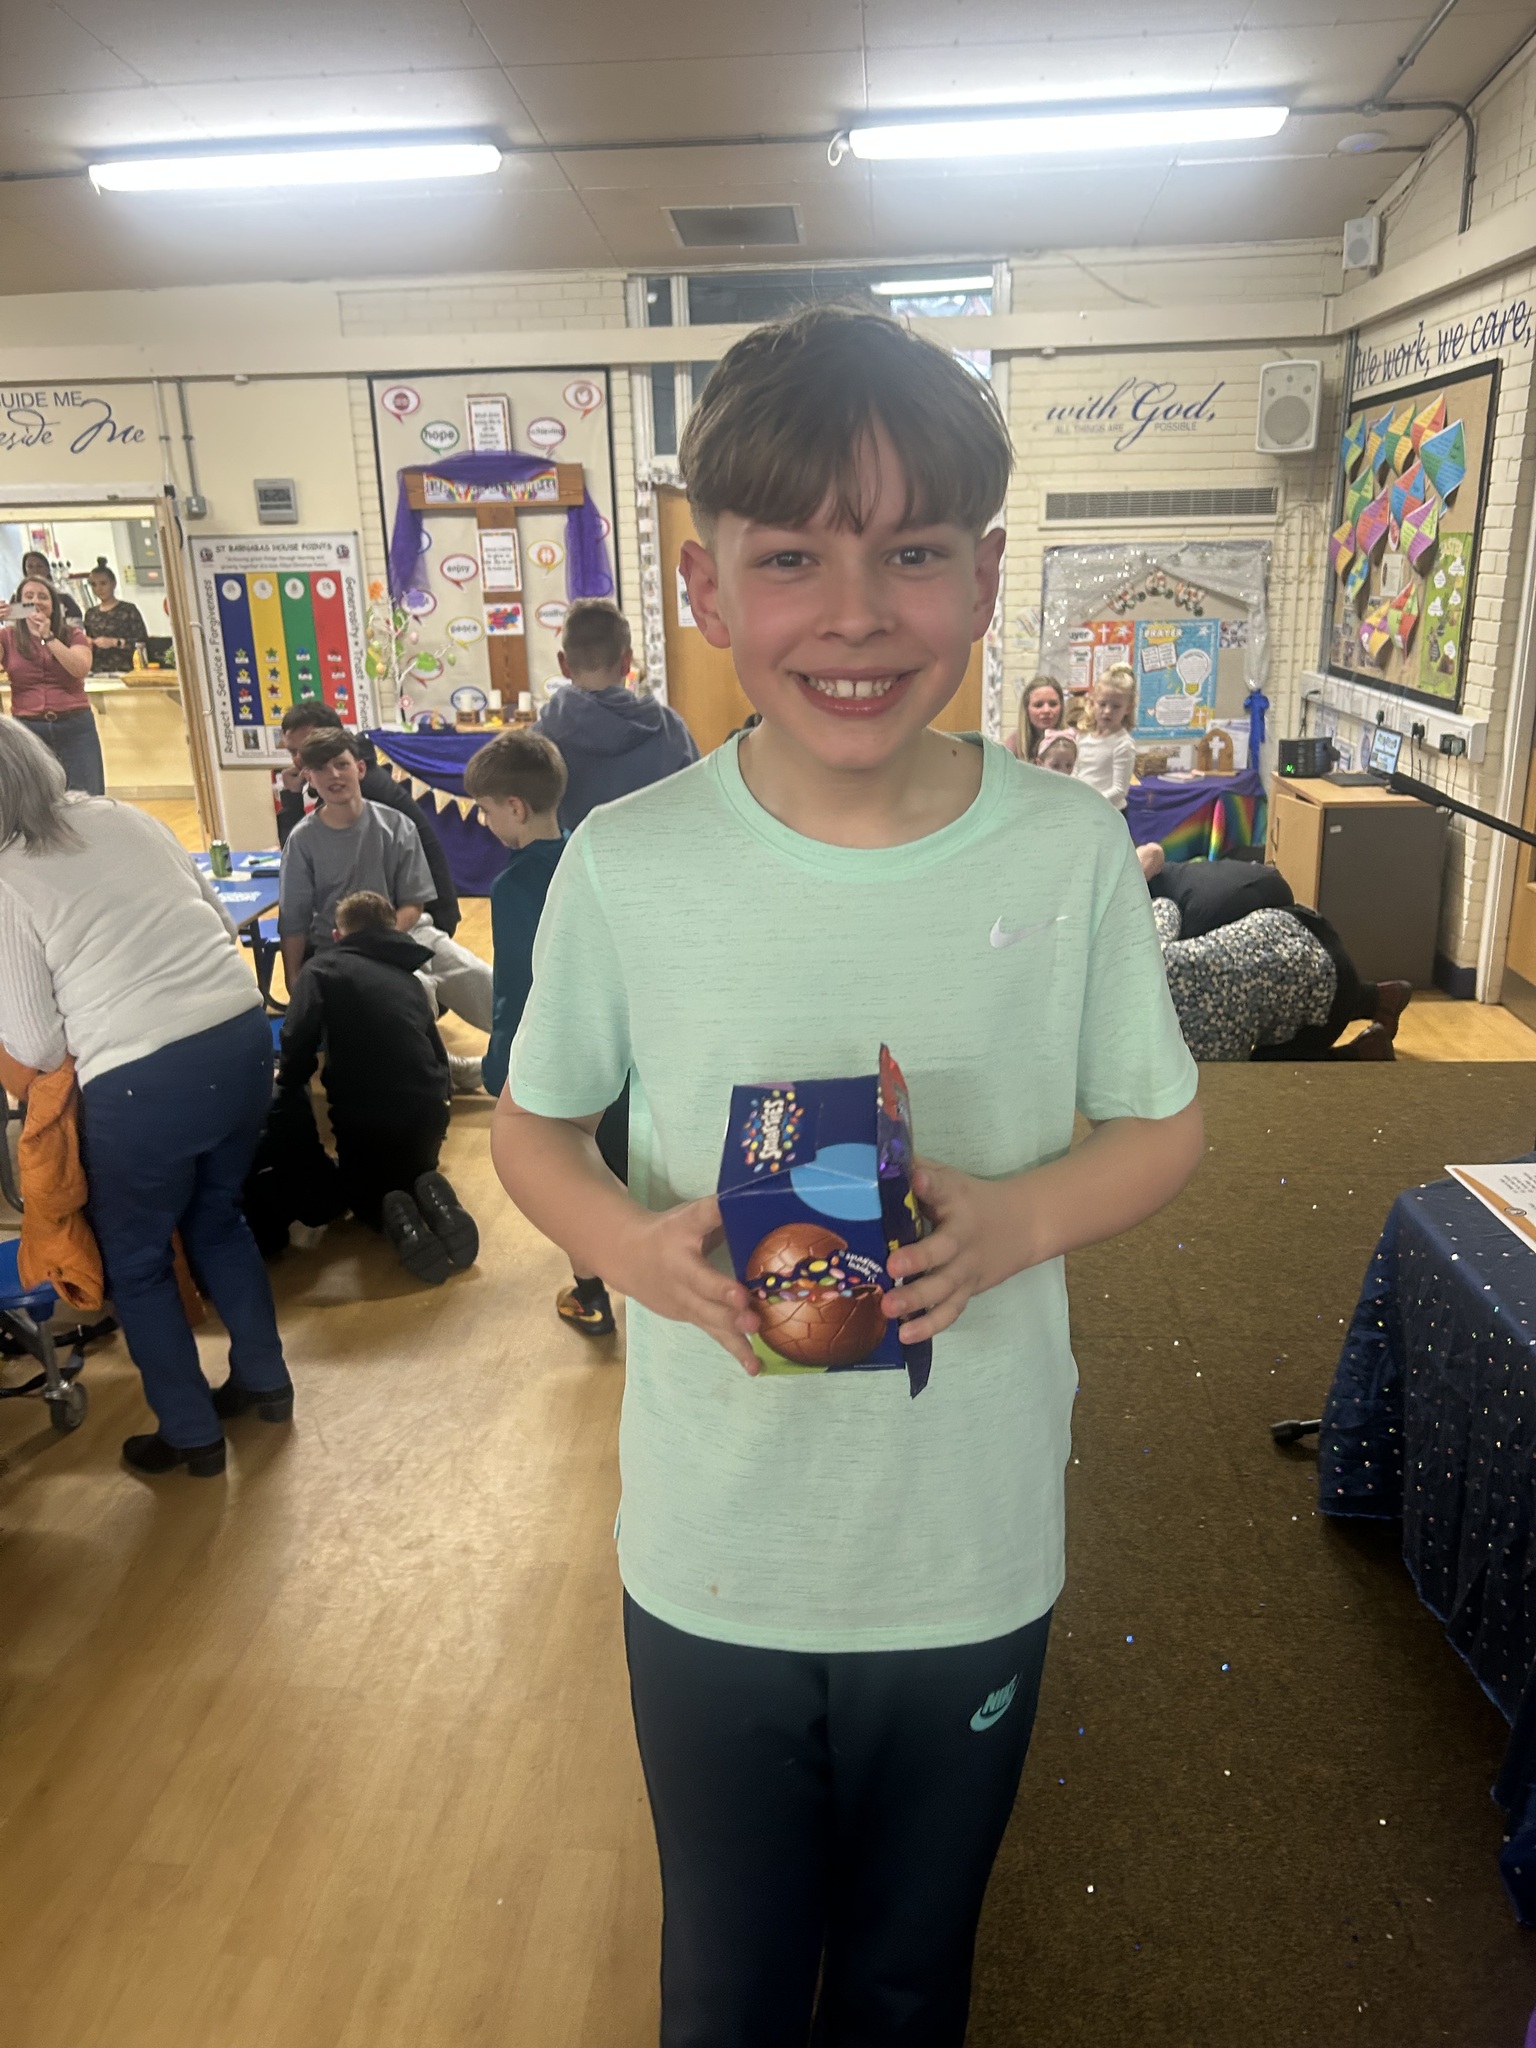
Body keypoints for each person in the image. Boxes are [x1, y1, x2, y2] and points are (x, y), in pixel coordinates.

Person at [491, 305, 1203, 2044]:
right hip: (715, 1548)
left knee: (905, 1971)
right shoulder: (629, 862)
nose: (857, 611)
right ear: (706, 586)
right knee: (727, 1980)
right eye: (793, 557)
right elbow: (533, 1126)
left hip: (966, 1546)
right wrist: (630, 1247)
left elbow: (1162, 1125)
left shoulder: (1068, 851)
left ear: (984, 574)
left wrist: (1019, 1218)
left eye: (914, 553)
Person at [0, 718, 290, 1476]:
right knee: (218, 1219)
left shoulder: (7, 876)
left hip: (143, 1080)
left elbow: (36, 1045)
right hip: (240, 1038)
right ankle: (266, 1381)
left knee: (135, 1262)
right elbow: (218, 920)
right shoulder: (124, 816)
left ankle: (192, 1434)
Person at [465, 726, 628, 1338]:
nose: (484, 822)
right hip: (624, 1050)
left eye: (485, 810)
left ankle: (591, 1296)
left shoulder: (513, 886)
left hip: (564, 1056)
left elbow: (516, 986)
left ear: (514, 807)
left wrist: (500, 1064)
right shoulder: (593, 859)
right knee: (626, 1168)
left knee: (574, 1175)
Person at [276, 890, 476, 1284]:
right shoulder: (410, 979)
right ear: (393, 930)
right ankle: (430, 1193)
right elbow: (436, 1054)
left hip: (367, 1118)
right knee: (412, 1170)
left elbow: (297, 1039)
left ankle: (393, 1217)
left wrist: (287, 1087)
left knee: (365, 1195)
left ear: (337, 936)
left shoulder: (321, 970)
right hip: (429, 1114)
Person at [1137, 843, 1412, 1062]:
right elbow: (1165, 907)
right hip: (1303, 925)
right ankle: (1379, 998)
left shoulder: (1196, 1054)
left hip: (1328, 998)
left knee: (1261, 1071)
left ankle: (1361, 1054)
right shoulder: (1146, 958)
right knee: (1257, 977)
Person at [273, 701, 461, 937]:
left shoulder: (351, 788)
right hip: (399, 911)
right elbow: (296, 853)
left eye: (306, 747)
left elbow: (294, 851)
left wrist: (292, 798)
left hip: (420, 915)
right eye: (293, 752)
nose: (300, 759)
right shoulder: (351, 774)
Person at [277, 728, 436, 991]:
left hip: (402, 934)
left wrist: (381, 944)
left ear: (360, 768)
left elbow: (413, 903)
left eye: (341, 764)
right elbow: (294, 921)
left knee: (477, 977)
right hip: (338, 949)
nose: (334, 775)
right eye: (321, 768)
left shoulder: (397, 826)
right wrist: (293, 979)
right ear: (309, 778)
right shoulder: (302, 840)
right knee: (420, 989)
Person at [535, 598, 698, 830]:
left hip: (573, 854)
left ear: (563, 663)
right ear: (627, 662)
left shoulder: (538, 741)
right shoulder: (671, 729)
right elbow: (699, 806)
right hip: (661, 851)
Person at [0, 575, 102, 795]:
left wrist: (48, 637)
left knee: (87, 797)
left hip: (75, 726)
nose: (36, 601)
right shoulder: (7, 637)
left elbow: (79, 668)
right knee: (35, 800)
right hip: (28, 729)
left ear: (54, 606)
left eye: (43, 597)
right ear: (17, 604)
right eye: (29, 596)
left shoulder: (72, 634)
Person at [1072, 664, 1139, 809]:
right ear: (1092, 703)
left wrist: (1090, 803)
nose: (1108, 711)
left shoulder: (1123, 744)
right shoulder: (1083, 737)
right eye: (1102, 704)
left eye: (1116, 706)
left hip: (1109, 811)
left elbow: (1119, 791)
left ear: (1128, 708)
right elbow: (1076, 773)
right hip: (1082, 807)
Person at [81, 562, 148, 676]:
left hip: (126, 669)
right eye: (94, 585)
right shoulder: (90, 614)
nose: (99, 589)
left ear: (113, 583)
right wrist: (87, 643)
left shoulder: (128, 610)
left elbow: (142, 643)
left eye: (103, 583)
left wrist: (115, 642)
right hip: (98, 671)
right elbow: (89, 641)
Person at [1011, 674, 1065, 762]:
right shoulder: (1014, 744)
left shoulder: (1073, 741)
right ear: (1026, 709)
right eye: (1038, 705)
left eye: (1053, 704)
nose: (1046, 710)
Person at [17, 551, 82, 623]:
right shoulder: (17, 599)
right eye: (30, 567)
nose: (35, 570)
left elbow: (75, 625)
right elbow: (12, 626)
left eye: (39, 566)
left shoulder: (64, 598)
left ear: (47, 569)